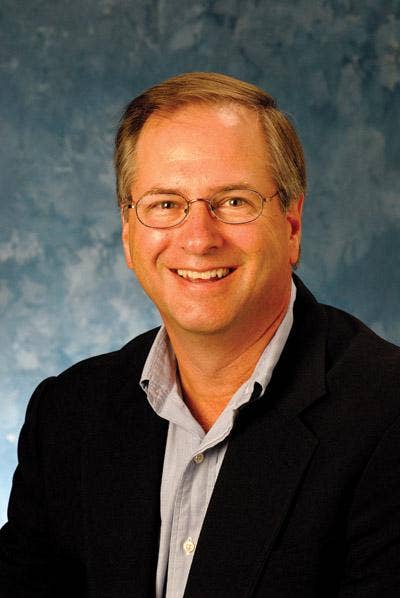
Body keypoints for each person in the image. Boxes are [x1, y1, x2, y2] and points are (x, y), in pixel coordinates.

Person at [0, 72, 399, 598]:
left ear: (292, 225)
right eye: (165, 204)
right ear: (128, 232)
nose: (198, 238)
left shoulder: (387, 415)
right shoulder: (68, 415)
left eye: (233, 201)